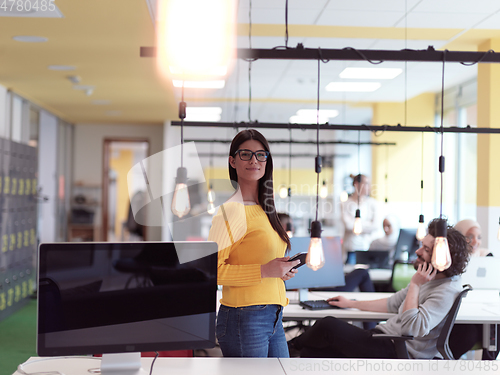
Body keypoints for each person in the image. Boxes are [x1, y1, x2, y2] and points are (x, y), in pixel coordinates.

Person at [288, 218, 471, 359]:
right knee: (312, 352)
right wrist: (350, 303)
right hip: (383, 338)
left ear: (444, 255)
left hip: (396, 349)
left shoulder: (446, 289)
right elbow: (391, 304)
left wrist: (415, 284)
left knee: (328, 325)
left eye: (426, 249)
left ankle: (287, 348)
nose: (417, 251)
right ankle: (290, 350)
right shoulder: (431, 279)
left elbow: (411, 329)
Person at [208, 129, 300, 358]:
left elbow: (260, 260)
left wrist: (279, 271)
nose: (254, 161)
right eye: (246, 154)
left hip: (273, 315)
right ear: (232, 161)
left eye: (261, 155)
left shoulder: (266, 209)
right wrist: (264, 270)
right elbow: (211, 271)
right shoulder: (230, 211)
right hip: (244, 317)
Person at [449, 219, 498, 360]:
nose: (475, 241)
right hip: (461, 313)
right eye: (469, 236)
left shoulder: (488, 257)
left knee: (497, 329)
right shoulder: (451, 259)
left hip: (484, 310)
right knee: (468, 335)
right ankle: (443, 363)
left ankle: (488, 367)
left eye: (479, 237)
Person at [340, 174, 383, 262]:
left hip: (367, 248)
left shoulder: (372, 203)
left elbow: (375, 225)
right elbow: (348, 225)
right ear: (357, 184)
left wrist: (356, 224)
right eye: (366, 183)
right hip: (350, 249)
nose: (369, 187)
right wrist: (367, 223)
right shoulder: (345, 204)